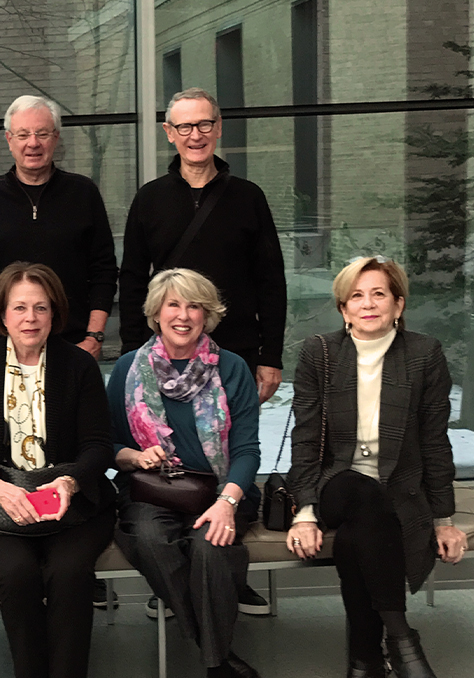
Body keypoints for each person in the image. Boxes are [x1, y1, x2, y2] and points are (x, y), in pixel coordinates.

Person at [118, 87, 284, 616]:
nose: (195, 135)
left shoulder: (248, 196)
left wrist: (270, 354)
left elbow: (271, 279)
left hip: (232, 354)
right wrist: (133, 358)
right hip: (164, 356)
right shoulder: (150, 198)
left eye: (204, 125)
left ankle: (227, 575)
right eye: (184, 127)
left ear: (218, 128)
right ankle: (171, 574)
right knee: (171, 469)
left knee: (229, 459)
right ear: (169, 133)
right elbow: (130, 277)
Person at [286, 256, 466, 678]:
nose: (368, 304)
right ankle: (402, 635)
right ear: (344, 309)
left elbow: (433, 440)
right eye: (357, 296)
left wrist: (445, 519)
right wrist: (304, 510)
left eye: (379, 294)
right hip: (336, 484)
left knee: (356, 539)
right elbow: (306, 438)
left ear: (398, 304)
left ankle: (365, 666)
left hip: (399, 490)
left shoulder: (424, 353)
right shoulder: (318, 353)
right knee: (361, 498)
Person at [0, 263, 116, 678]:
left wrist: (70, 482)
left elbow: (99, 446)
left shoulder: (78, 366)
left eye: (40, 307)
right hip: (2, 504)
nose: (30, 318)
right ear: (1, 315)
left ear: (54, 314)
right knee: (19, 574)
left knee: (69, 572)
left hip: (72, 500)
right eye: (19, 307)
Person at [107, 268, 262, 678]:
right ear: (156, 313)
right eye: (173, 304)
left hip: (220, 491)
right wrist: (134, 455)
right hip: (153, 490)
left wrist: (228, 502)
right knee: (152, 539)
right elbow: (106, 444)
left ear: (207, 315)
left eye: (194, 305)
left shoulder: (231, 368)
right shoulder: (129, 369)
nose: (183, 314)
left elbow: (247, 450)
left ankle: (215, 675)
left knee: (210, 548)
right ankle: (220, 660)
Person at [0, 95, 117, 363]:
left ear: (56, 137)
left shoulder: (83, 194)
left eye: (42, 133)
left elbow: (104, 270)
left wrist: (95, 336)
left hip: (72, 347)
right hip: (0, 349)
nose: (33, 143)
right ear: (9, 140)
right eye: (23, 134)